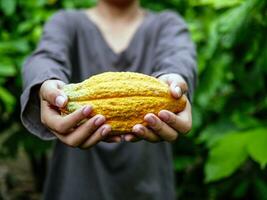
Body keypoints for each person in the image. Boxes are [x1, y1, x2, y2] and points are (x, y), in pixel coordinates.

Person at [20, 0, 197, 199]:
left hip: (147, 184)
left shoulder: (168, 24)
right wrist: (47, 83)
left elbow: (179, 58)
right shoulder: (66, 22)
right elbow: (44, 57)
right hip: (76, 185)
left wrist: (176, 80)